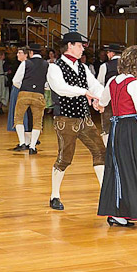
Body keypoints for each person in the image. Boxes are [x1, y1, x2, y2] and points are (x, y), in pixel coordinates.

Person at [97, 45, 137, 227]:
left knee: (118, 168)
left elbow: (102, 102)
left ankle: (119, 210)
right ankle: (128, 210)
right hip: (132, 128)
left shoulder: (113, 81)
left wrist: (98, 105)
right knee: (134, 168)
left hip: (116, 128)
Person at [45, 32, 105, 210]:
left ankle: (105, 192)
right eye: (80, 45)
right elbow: (61, 89)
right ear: (69, 46)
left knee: (101, 152)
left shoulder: (82, 68)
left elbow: (95, 86)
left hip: (84, 118)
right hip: (66, 118)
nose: (82, 49)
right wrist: (84, 92)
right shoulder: (55, 67)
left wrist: (101, 100)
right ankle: (54, 195)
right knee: (65, 158)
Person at [11, 43, 48, 154]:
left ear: (31, 53)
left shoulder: (26, 63)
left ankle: (22, 143)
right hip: (39, 94)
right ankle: (32, 146)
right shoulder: (47, 64)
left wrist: (23, 87)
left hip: (24, 94)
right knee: (37, 122)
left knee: (18, 118)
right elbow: (48, 83)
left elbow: (16, 81)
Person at [97, 43, 124, 145]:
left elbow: (100, 84)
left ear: (111, 53)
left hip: (109, 100)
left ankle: (109, 150)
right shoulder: (126, 66)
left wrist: (100, 101)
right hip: (124, 100)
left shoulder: (105, 66)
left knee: (107, 126)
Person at [7, 47, 33, 146]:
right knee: (24, 115)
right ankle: (26, 141)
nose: (17, 54)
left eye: (20, 53)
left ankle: (25, 141)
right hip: (22, 90)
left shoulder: (24, 64)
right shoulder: (27, 64)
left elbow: (17, 81)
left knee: (19, 115)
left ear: (26, 55)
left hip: (19, 90)